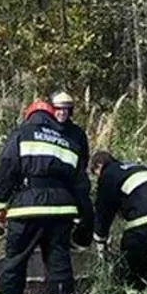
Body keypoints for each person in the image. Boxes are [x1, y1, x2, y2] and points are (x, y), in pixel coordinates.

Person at [0, 100, 85, 294]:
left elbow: (6, 170)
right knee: (58, 259)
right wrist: (79, 215)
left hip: (27, 207)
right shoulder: (68, 142)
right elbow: (80, 184)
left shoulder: (21, 134)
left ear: (28, 116)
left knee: (15, 259)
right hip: (62, 210)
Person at [89, 150, 147, 289]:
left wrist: (100, 240)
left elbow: (104, 210)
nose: (98, 179)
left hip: (146, 217)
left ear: (99, 165)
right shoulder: (137, 167)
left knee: (132, 261)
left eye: (95, 174)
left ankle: (133, 292)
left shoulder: (108, 173)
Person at [50, 90, 94, 250]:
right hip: (53, 181)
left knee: (87, 211)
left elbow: (83, 157)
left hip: (74, 179)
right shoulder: (46, 130)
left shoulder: (77, 132)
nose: (62, 113)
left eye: (66, 109)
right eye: (58, 109)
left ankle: (81, 243)